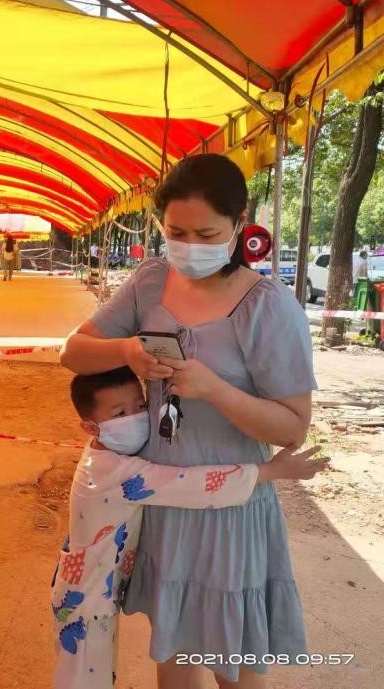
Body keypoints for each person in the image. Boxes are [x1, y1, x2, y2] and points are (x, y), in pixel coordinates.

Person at [60, 153, 318, 689]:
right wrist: (128, 350)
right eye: (177, 233)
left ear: (239, 223)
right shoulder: (151, 281)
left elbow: (291, 428)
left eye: (206, 234)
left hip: (230, 511)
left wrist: (215, 390)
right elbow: (74, 352)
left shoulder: (268, 308)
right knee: (173, 649)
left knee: (233, 662)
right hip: (165, 500)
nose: (190, 247)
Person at [52, 366, 326, 689]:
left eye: (140, 406)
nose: (136, 417)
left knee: (95, 673)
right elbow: (192, 485)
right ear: (90, 426)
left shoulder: (103, 454)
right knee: (85, 680)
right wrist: (271, 471)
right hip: (85, 602)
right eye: (120, 413)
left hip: (92, 591)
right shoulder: (116, 472)